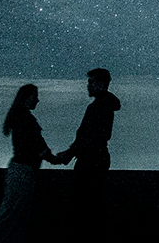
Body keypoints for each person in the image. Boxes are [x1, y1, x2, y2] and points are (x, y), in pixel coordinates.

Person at [0, 84, 61, 243]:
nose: (38, 100)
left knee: (14, 214)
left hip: (21, 170)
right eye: (35, 96)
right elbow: (37, 144)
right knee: (13, 214)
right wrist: (54, 159)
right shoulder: (25, 119)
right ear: (27, 98)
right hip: (23, 171)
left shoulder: (19, 117)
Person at [56, 68, 120, 223]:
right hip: (96, 158)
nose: (88, 86)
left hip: (91, 160)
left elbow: (90, 135)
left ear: (99, 83)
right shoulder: (103, 105)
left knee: (85, 204)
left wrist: (71, 153)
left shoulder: (98, 107)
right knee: (92, 201)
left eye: (91, 82)